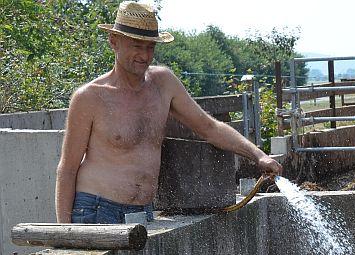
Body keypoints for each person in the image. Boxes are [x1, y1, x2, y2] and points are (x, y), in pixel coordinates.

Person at [55, 1, 281, 224]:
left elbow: (209, 127)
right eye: (136, 45)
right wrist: (64, 234)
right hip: (97, 209)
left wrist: (258, 155)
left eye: (150, 47)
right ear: (114, 42)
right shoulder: (89, 97)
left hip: (144, 212)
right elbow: (68, 167)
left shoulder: (163, 83)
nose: (144, 55)